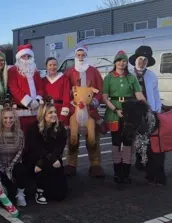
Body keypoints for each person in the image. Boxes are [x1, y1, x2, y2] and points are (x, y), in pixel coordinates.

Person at [102, 50, 146, 183]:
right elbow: (105, 97)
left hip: (129, 112)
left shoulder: (131, 77)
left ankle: (126, 173)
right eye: (119, 60)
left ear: (127, 63)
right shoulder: (109, 77)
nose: (122, 63)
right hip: (113, 112)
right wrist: (115, 109)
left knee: (127, 143)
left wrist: (146, 108)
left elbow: (138, 94)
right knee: (116, 142)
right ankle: (117, 172)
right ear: (115, 62)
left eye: (124, 61)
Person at [64, 46, 105, 177]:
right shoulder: (69, 72)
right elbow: (65, 91)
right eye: (78, 55)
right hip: (74, 111)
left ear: (86, 56)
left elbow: (100, 90)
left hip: (90, 111)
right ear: (75, 56)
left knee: (93, 139)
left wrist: (94, 102)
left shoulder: (94, 71)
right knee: (72, 139)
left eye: (83, 55)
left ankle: (95, 164)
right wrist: (71, 105)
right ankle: (71, 164)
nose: (81, 57)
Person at [22, 98, 68, 204]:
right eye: (50, 112)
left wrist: (51, 158)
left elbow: (59, 148)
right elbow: (34, 148)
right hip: (35, 159)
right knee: (43, 164)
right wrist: (44, 160)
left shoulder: (60, 128)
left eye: (55, 112)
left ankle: (47, 187)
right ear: (43, 114)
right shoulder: (34, 128)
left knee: (60, 195)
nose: (54, 115)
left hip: (52, 158)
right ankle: (39, 190)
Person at [129, 45, 163, 175]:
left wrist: (157, 110)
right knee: (137, 137)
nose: (142, 62)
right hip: (135, 112)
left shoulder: (152, 76)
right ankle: (139, 160)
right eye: (140, 59)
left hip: (150, 111)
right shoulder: (130, 75)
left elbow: (156, 94)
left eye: (145, 60)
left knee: (148, 137)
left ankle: (147, 160)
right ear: (136, 60)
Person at [0, 103, 28, 207]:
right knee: (8, 197)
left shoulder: (19, 134)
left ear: (15, 119)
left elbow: (20, 152)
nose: (8, 120)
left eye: (11, 117)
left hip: (13, 166)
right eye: (5, 118)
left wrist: (10, 168)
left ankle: (20, 194)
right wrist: (3, 169)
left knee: (22, 169)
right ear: (1, 119)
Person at [8, 44, 45, 133]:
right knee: (21, 135)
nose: (26, 58)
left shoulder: (35, 71)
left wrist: (37, 100)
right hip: (21, 109)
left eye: (28, 56)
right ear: (19, 57)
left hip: (36, 109)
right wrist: (28, 101)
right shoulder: (13, 70)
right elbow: (14, 89)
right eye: (24, 56)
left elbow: (40, 87)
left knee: (36, 135)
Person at [43, 57, 71, 127]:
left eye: (54, 65)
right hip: (48, 110)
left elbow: (66, 96)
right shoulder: (43, 80)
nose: (52, 67)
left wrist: (64, 113)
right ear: (46, 66)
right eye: (50, 65)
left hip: (61, 110)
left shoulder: (64, 78)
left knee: (61, 133)